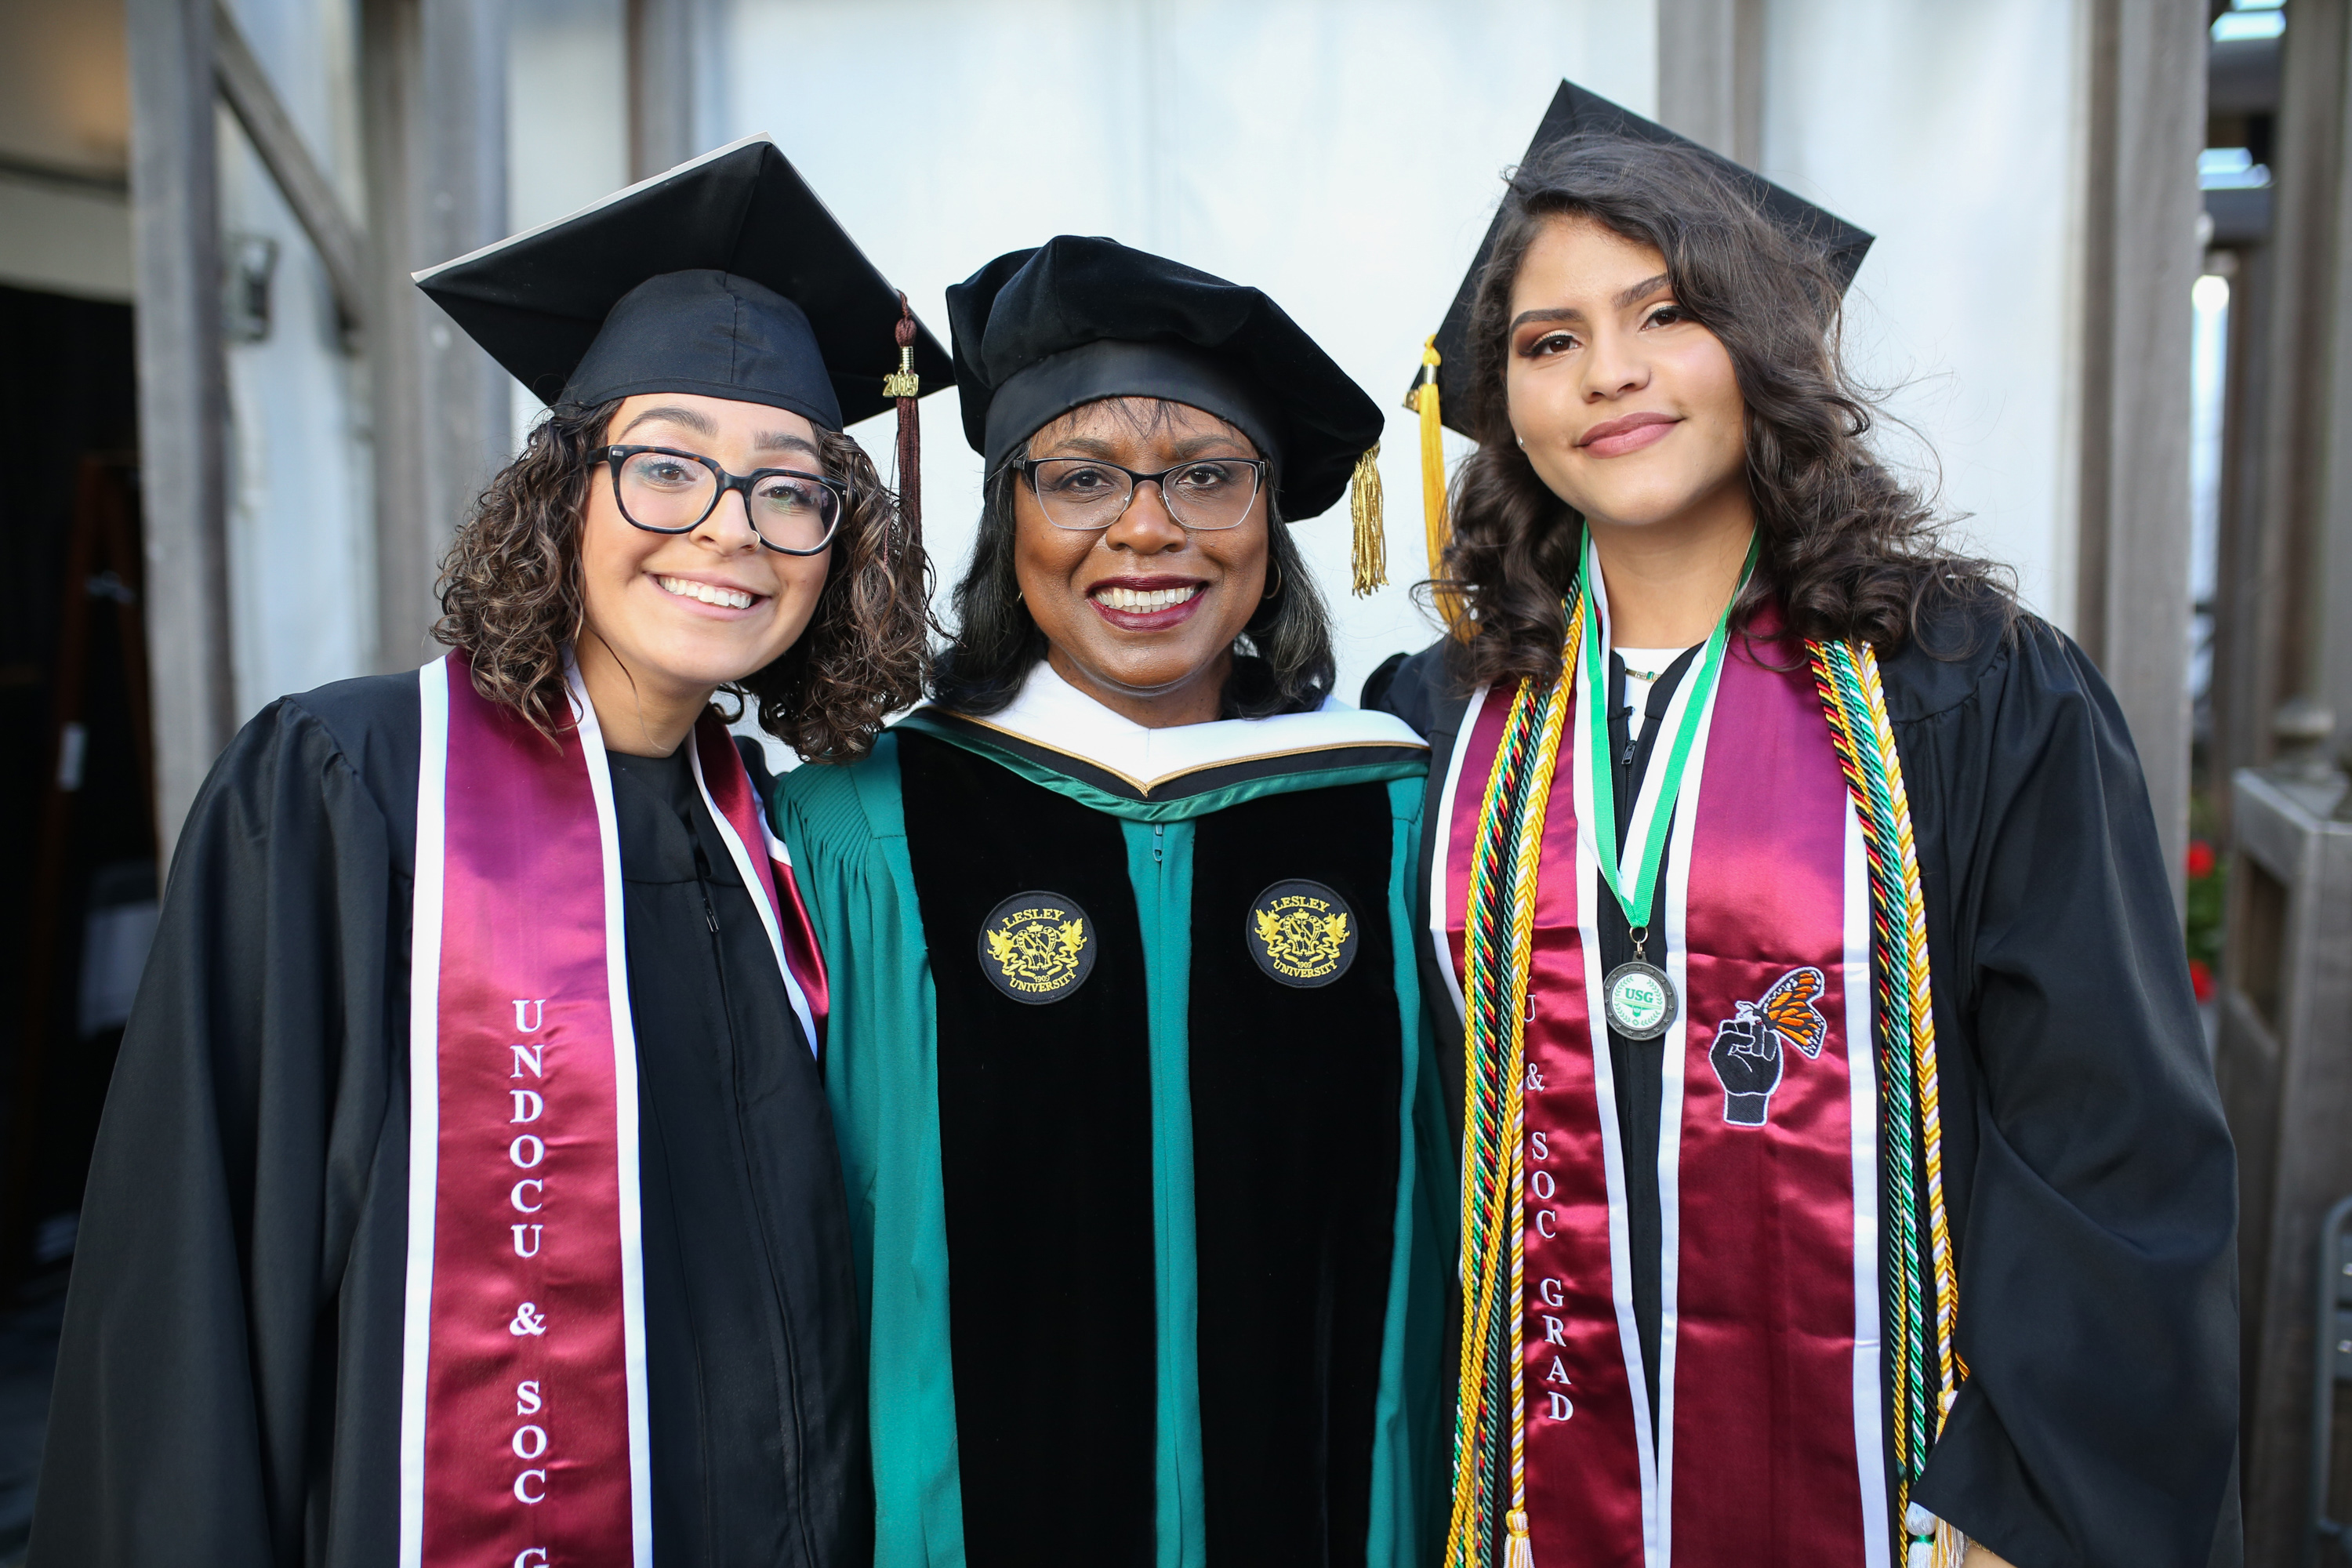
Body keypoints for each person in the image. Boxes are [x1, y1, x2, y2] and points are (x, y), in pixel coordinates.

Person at [30, 137, 949, 1568]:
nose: (730, 528)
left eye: (790, 489)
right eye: (665, 468)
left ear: (840, 546)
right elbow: (191, 1300)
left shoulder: (789, 846)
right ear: (561, 494)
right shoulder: (347, 792)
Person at [1363, 83, 2238, 1568]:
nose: (1608, 376)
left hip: (1906, 1500)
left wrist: (2011, 1496)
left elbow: (2103, 1126)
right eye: (1549, 342)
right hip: (1533, 1486)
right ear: (1499, 400)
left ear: (1765, 351)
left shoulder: (1967, 689)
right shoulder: (1446, 719)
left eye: (1666, 315)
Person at [777, 235, 1452, 1568]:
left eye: (1208, 477)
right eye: (1080, 480)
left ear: (1272, 518)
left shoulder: (1404, 819)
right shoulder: (857, 829)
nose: (1147, 529)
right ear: (1008, 517)